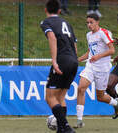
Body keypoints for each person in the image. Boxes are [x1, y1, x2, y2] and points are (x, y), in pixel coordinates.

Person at [74, 13, 118, 128]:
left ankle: (116, 103)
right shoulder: (88, 35)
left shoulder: (104, 33)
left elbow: (112, 50)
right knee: (81, 88)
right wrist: (77, 59)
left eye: (91, 22)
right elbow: (91, 52)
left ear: (97, 22)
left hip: (103, 69)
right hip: (90, 67)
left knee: (100, 97)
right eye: (87, 23)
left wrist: (98, 56)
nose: (89, 25)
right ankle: (79, 121)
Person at [40, 0, 78, 132]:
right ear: (59, 11)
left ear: (46, 10)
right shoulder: (67, 23)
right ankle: (61, 129)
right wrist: (74, 60)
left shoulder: (46, 22)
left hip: (62, 60)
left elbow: (52, 37)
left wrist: (54, 61)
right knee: (60, 97)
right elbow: (74, 44)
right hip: (73, 60)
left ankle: (66, 127)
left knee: (49, 97)